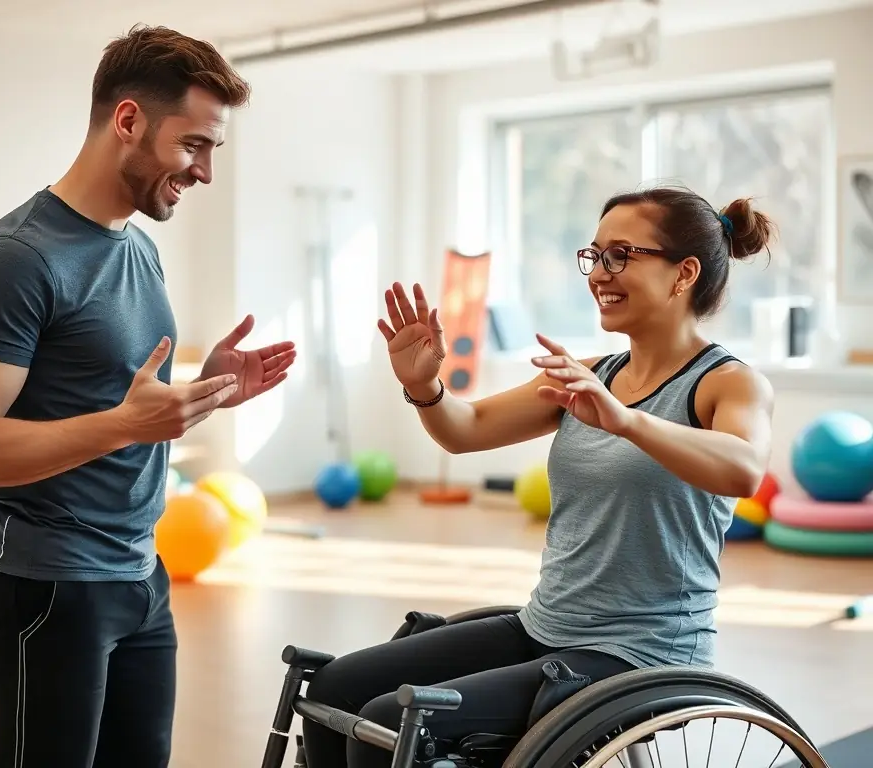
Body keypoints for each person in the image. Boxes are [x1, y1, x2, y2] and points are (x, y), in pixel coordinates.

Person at [301, 185, 777, 768]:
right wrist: (424, 386)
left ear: (684, 274)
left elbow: (744, 469)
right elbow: (466, 427)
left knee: (388, 723)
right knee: (332, 690)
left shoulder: (727, 382)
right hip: (546, 626)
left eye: (621, 255)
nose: (600, 272)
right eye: (595, 255)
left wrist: (627, 422)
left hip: (642, 652)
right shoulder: (591, 373)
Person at [0, 25, 295, 768]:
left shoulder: (137, 246)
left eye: (213, 149)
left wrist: (202, 393)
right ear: (128, 121)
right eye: (194, 144)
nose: (206, 172)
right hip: (45, 580)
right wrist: (128, 426)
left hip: (137, 569)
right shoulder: (16, 261)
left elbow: (106, 397)